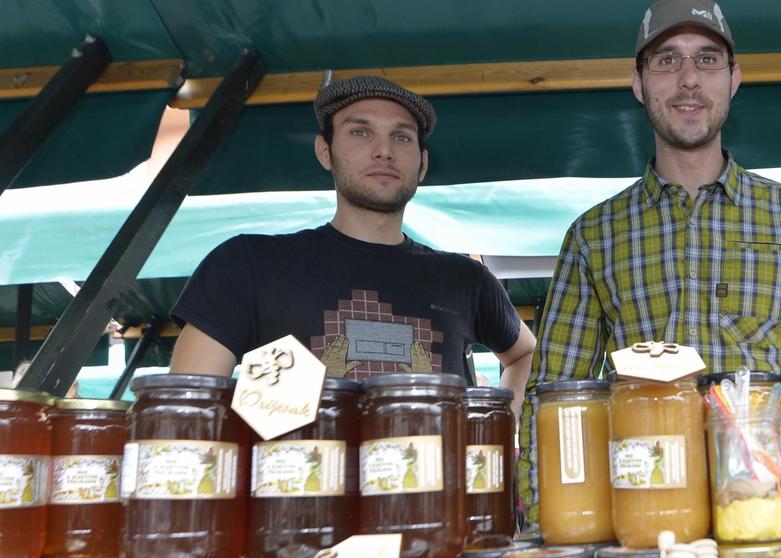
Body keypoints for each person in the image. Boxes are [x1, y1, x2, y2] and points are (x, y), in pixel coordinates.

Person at [516, 0, 781, 519]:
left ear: (733, 79)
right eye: (667, 60)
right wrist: (542, 518)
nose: (688, 79)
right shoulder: (593, 235)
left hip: (769, 509)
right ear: (638, 83)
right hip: (645, 506)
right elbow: (553, 396)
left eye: (707, 60)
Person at [169, 75, 535, 413]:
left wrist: (500, 424)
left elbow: (527, 355)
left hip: (432, 464)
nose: (383, 151)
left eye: (402, 137)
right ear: (324, 151)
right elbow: (186, 408)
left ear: (422, 163)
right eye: (360, 132)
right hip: (297, 463)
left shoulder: (466, 279)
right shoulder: (248, 264)